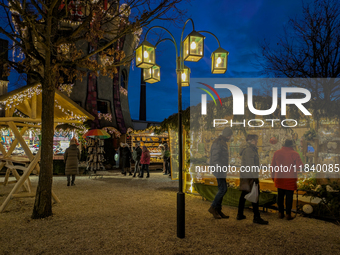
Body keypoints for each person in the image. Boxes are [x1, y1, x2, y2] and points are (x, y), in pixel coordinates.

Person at [238, 134, 268, 225]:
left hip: (246, 175)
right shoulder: (249, 150)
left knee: (244, 194)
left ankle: (240, 214)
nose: (257, 141)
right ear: (251, 140)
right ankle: (256, 216)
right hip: (250, 176)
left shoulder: (249, 149)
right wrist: (255, 177)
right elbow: (251, 165)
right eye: (256, 140)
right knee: (255, 195)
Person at [271, 139, 303, 220]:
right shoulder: (295, 154)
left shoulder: (277, 152)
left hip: (279, 177)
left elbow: (272, 166)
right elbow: (300, 166)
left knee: (280, 196)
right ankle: (288, 214)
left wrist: (273, 177)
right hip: (290, 178)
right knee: (289, 197)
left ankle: (280, 213)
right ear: (292, 145)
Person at [208, 127, 233, 219]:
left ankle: (218, 210)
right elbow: (215, 157)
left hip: (221, 168)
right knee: (223, 189)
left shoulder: (221, 142)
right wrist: (219, 168)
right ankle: (213, 207)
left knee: (222, 188)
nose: (230, 137)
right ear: (227, 135)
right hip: (219, 169)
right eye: (230, 135)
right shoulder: (218, 143)